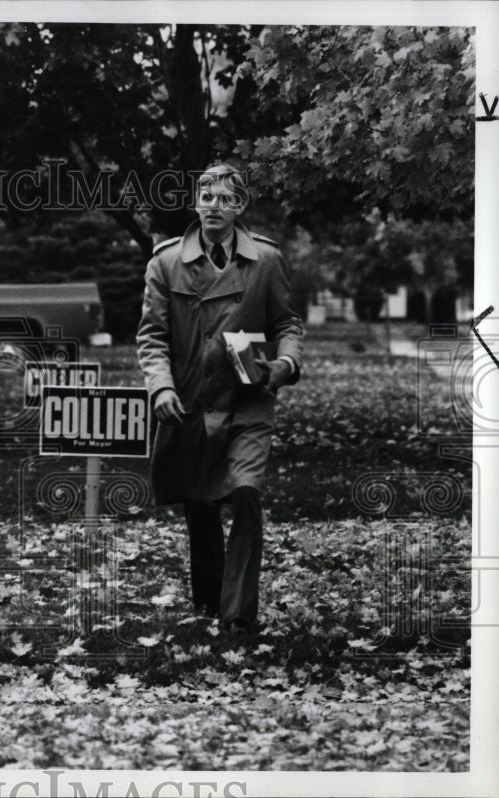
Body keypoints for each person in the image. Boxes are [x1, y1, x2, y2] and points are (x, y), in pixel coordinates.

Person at [136, 164, 304, 633]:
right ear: (195, 202)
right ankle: (209, 602)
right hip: (191, 401)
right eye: (206, 196)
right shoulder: (166, 262)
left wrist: (286, 364)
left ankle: (237, 615)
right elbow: (152, 336)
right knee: (202, 503)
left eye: (226, 198)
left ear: (240, 206)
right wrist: (162, 386)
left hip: (249, 396)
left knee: (246, 493)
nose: (215, 205)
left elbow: (287, 324)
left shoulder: (266, 260)